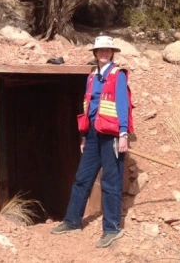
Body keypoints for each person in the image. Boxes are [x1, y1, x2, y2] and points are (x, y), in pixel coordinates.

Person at [51, 35, 133, 248]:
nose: (104, 53)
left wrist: (123, 133)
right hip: (94, 135)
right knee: (82, 178)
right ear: (95, 53)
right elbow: (88, 107)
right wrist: (85, 136)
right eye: (100, 50)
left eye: (107, 50)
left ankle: (111, 228)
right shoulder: (91, 77)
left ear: (112, 52)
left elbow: (122, 104)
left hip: (112, 134)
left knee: (110, 182)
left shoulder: (118, 75)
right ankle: (72, 221)